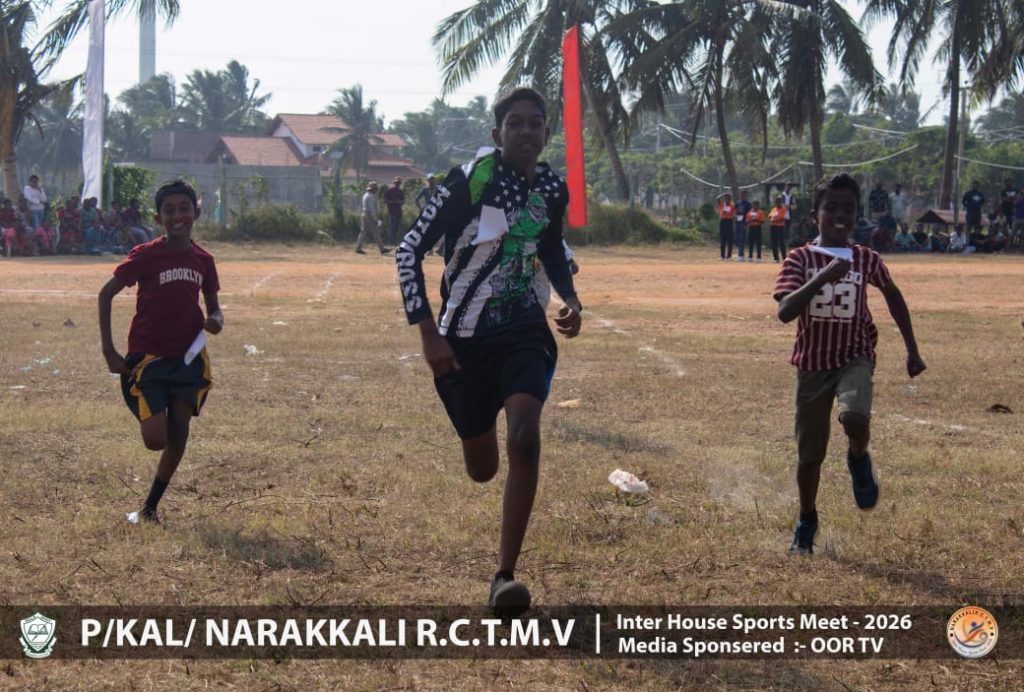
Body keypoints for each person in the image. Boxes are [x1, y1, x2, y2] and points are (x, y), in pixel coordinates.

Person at [395, 87, 582, 616]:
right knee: (482, 467)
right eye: (515, 123)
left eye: (535, 123)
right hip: (461, 340)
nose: (526, 131)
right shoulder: (468, 180)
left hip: (524, 330)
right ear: (498, 134)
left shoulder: (552, 186)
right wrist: (427, 332)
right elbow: (408, 250)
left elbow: (551, 245)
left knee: (525, 437)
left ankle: (504, 578)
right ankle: (479, 428)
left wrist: (570, 297)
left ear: (547, 133)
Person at [774, 172, 926, 555]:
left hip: (855, 356)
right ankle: (807, 519)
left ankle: (858, 457)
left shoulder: (865, 258)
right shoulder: (800, 258)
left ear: (857, 215)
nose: (840, 215)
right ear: (816, 214)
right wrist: (823, 276)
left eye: (849, 209)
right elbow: (786, 310)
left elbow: (893, 295)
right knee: (810, 455)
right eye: (832, 208)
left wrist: (912, 349)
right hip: (812, 364)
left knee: (855, 418)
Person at [98, 180, 223, 525]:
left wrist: (215, 320)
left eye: (184, 208)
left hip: (188, 358)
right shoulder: (147, 255)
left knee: (179, 435)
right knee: (155, 440)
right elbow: (105, 294)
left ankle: (149, 509)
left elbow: (215, 308)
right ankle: (144, 394)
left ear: (196, 212)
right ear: (158, 218)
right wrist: (108, 350)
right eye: (169, 210)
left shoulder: (203, 259)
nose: (178, 215)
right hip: (149, 356)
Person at [355, 182, 388, 255]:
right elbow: (372, 209)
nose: (376, 190)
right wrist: (375, 218)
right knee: (376, 232)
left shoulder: (365, 195)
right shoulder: (371, 197)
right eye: (375, 189)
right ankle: (382, 249)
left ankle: (358, 248)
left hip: (364, 214)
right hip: (369, 215)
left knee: (363, 232)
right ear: (373, 189)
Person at [383, 177, 406, 245]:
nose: (398, 184)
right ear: (394, 183)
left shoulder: (401, 191)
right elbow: (384, 200)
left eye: (399, 183)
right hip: (392, 212)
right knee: (392, 227)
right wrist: (391, 202)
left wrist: (399, 202)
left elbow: (403, 201)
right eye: (397, 182)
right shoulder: (389, 190)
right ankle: (391, 242)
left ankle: (394, 241)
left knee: (396, 228)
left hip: (399, 212)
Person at [768, 195, 788, 262]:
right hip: (773, 226)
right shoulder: (773, 209)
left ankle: (784, 257)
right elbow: (770, 216)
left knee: (782, 242)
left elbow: (782, 218)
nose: (778, 203)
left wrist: (774, 219)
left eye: (779, 202)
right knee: (774, 242)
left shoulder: (784, 209)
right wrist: (774, 219)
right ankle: (776, 258)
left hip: (780, 227)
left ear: (781, 202)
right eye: (776, 202)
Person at [717, 192, 736, 260]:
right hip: (723, 221)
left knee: (729, 239)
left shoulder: (732, 205)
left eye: (728, 198)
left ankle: (729, 256)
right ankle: (722, 256)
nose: (727, 199)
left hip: (729, 221)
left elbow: (733, 213)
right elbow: (717, 199)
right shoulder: (722, 204)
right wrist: (723, 194)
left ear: (730, 199)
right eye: (726, 198)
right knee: (723, 239)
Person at [735, 190, 751, 262]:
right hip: (738, 222)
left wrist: (746, 223)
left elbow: (749, 213)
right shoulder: (738, 203)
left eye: (744, 195)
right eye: (741, 194)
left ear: (746, 195)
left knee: (742, 238)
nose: (742, 196)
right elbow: (735, 211)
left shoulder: (748, 204)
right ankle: (739, 254)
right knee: (738, 238)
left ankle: (741, 255)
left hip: (743, 222)